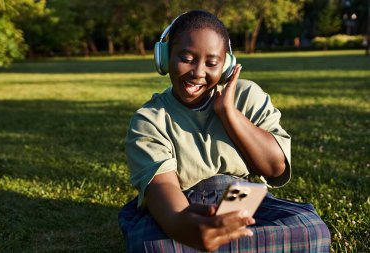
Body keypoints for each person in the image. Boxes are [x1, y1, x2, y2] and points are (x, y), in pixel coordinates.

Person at [118, 10, 331, 253]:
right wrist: (182, 224)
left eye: (211, 63)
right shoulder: (149, 119)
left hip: (241, 196)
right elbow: (163, 189)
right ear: (165, 57)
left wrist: (230, 113)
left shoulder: (247, 96)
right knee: (152, 247)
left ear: (227, 65)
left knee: (312, 230)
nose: (198, 72)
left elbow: (275, 168)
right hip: (183, 201)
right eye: (186, 58)